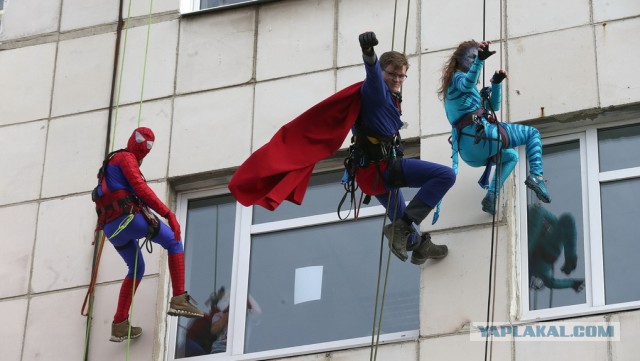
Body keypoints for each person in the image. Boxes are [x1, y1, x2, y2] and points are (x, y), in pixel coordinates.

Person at [352, 31, 456, 265]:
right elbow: (372, 75)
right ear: (381, 72)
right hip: (382, 169)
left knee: (403, 223)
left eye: (402, 76)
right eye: (392, 74)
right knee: (445, 176)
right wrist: (368, 54)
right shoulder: (375, 92)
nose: (397, 79)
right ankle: (404, 231)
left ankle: (421, 246)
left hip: (372, 177)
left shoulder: (389, 97)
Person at [92, 127, 204, 342]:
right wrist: (167, 213)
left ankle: (119, 324)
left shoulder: (110, 166)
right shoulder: (126, 158)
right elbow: (140, 189)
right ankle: (179, 298)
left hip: (111, 229)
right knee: (173, 241)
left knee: (136, 268)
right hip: (129, 219)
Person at [438, 40, 551, 215]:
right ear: (459, 59)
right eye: (472, 57)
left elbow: (493, 107)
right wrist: (481, 60)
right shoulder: (456, 78)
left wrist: (496, 84)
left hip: (470, 151)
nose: (475, 61)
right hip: (482, 136)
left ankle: (491, 195)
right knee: (532, 134)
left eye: (477, 57)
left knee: (511, 156)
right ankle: (536, 175)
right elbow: (467, 83)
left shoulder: (466, 93)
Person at [528, 204, 584, 292]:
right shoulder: (548, 222)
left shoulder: (540, 270)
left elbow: (551, 283)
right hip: (541, 250)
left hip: (543, 255)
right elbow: (567, 220)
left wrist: (573, 283)